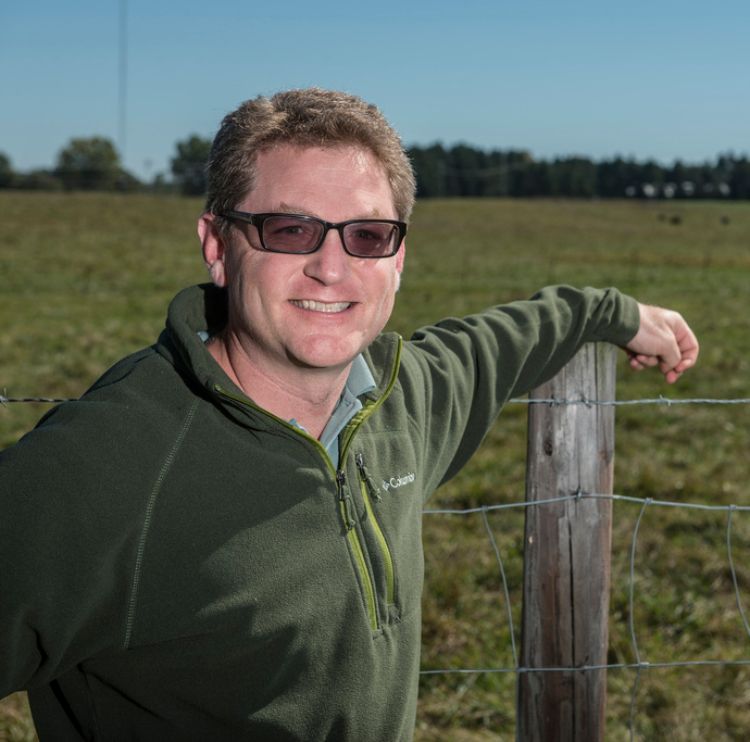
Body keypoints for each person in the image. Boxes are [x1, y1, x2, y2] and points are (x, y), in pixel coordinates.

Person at [0, 88, 698, 741]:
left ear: (399, 260)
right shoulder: (105, 467)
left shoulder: (403, 402)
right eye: (291, 229)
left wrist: (617, 313)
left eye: (367, 236)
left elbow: (506, 340)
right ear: (218, 246)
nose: (331, 268)